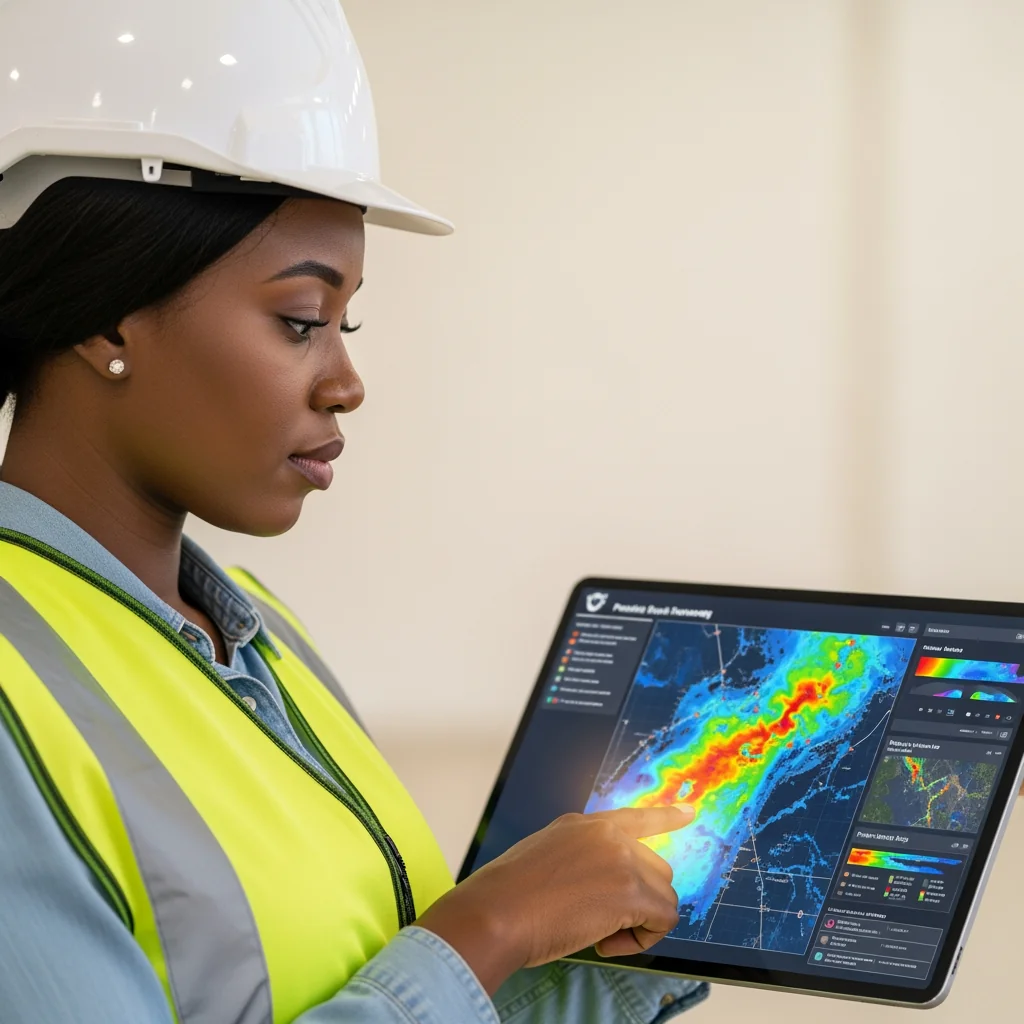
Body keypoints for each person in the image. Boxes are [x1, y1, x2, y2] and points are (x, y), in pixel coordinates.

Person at [0, 2, 710, 1022]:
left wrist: (581, 937)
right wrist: (489, 927)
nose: (346, 381)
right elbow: (436, 968)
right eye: (300, 320)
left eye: (348, 320)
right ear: (104, 311)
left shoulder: (255, 630)